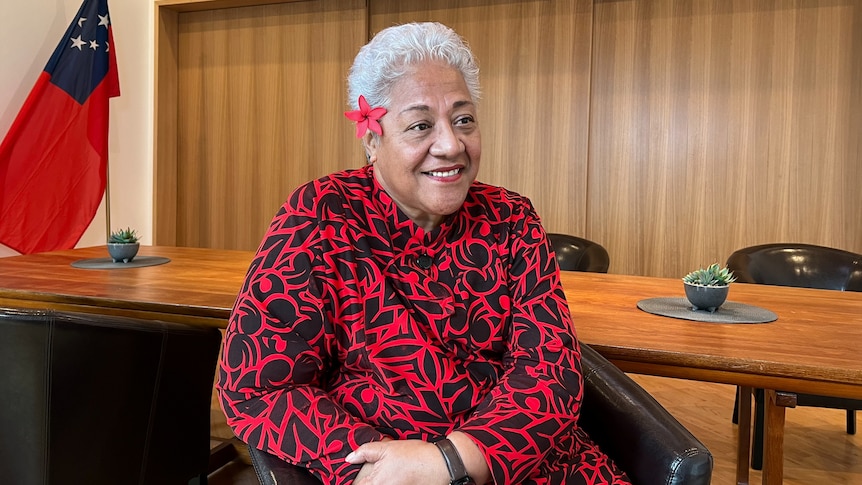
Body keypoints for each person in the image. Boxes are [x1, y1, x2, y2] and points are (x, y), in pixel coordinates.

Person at [217, 22, 631, 485]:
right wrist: (384, 467)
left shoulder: (511, 218)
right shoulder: (319, 216)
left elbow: (550, 370)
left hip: (520, 464)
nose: (451, 145)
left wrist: (452, 460)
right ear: (372, 139)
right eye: (420, 125)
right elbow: (258, 388)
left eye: (464, 119)